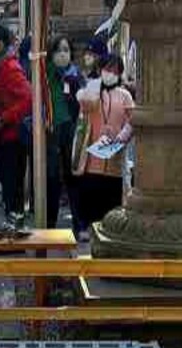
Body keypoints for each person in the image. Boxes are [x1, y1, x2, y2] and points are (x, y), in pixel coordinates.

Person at [75, 54, 134, 228]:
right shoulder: (92, 92)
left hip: (114, 159)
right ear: (100, 70)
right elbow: (84, 107)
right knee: (91, 203)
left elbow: (134, 121)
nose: (110, 73)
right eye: (107, 69)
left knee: (112, 209)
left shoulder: (125, 96)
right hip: (92, 159)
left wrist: (122, 137)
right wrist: (91, 88)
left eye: (115, 70)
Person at [0, 25, 32, 223]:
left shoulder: (9, 68)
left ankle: (16, 233)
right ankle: (13, 230)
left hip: (13, 135)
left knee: (13, 189)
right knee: (9, 189)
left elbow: (28, 99)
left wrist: (3, 118)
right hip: (3, 136)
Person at [46, 35, 84, 230]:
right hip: (51, 130)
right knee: (52, 178)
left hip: (70, 129)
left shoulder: (76, 76)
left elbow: (82, 104)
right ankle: (49, 225)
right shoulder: (45, 74)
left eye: (66, 50)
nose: (63, 54)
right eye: (59, 50)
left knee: (73, 178)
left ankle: (79, 225)